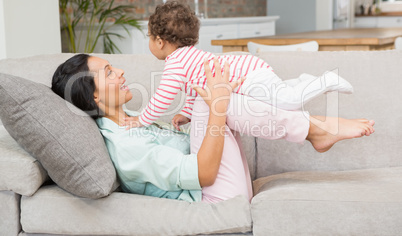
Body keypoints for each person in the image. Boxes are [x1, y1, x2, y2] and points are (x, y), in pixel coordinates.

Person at [51, 54, 374, 203]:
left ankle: (314, 128)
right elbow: (203, 173)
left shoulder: (134, 118)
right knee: (209, 99)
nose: (120, 71)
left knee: (209, 96)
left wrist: (196, 115)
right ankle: (316, 130)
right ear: (94, 94)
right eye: (109, 72)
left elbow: (192, 141)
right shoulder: (126, 148)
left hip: (225, 181)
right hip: (217, 196)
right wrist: (216, 106)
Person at [123, 1, 354, 130]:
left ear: (160, 41)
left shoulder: (176, 62)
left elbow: (163, 96)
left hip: (248, 75)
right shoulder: (188, 57)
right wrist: (186, 113)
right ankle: (302, 81)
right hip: (250, 67)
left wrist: (141, 120)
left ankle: (325, 81)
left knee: (289, 102)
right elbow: (195, 89)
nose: (150, 43)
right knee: (282, 97)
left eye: (150, 37)